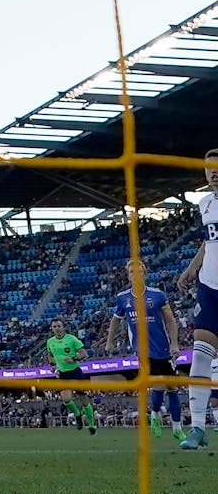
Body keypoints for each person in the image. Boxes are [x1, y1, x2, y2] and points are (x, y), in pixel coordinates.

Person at [105, 259, 183, 440]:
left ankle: (177, 428)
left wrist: (174, 343)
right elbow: (116, 319)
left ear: (145, 274)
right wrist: (109, 341)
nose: (136, 275)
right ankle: (155, 416)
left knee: (172, 388)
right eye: (132, 272)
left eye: (139, 271)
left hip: (164, 348)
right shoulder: (123, 298)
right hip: (143, 351)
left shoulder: (157, 295)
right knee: (158, 385)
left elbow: (170, 320)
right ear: (128, 276)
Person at [176, 150, 218, 450]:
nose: (213, 172)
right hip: (209, 286)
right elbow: (208, 241)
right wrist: (192, 268)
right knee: (201, 352)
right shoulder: (205, 204)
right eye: (209, 168)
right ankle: (198, 428)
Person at [46, 320, 96, 434]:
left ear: (63, 327)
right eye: (55, 326)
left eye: (59, 326)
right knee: (66, 399)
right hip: (63, 374)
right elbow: (50, 355)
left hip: (75, 372)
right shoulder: (50, 342)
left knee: (83, 399)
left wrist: (74, 358)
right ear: (51, 328)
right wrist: (52, 366)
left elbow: (84, 354)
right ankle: (77, 414)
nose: (57, 328)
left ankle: (92, 424)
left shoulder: (72, 339)